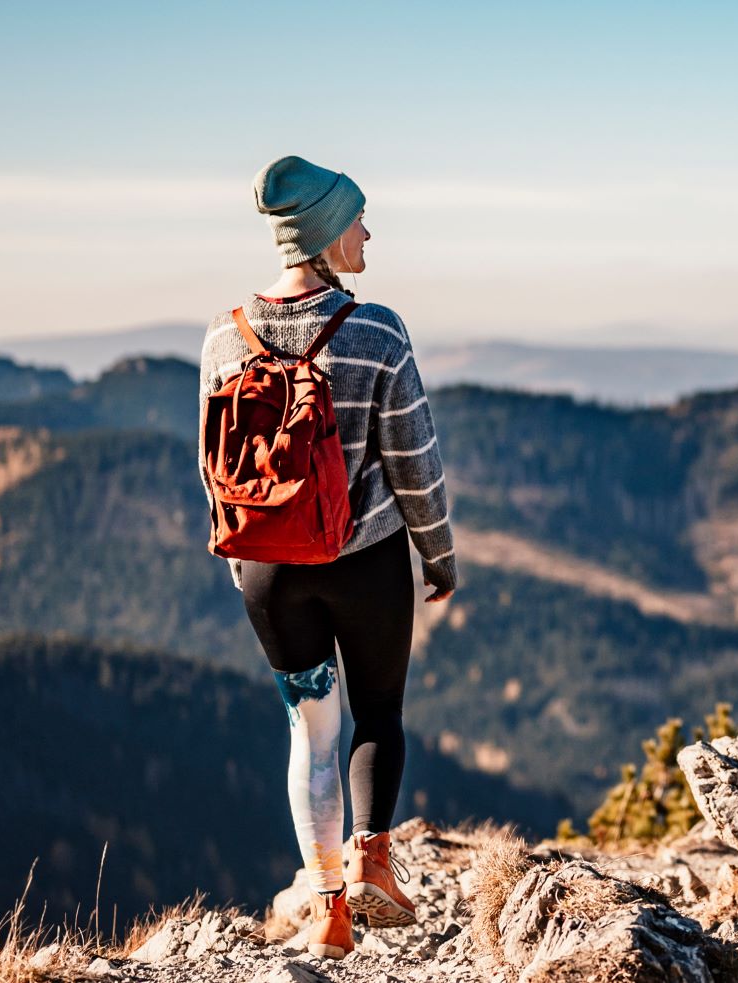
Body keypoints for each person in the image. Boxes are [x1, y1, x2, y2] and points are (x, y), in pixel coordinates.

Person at [197, 155, 459, 959]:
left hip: (269, 573)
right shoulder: (375, 328)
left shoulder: (222, 336)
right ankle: (373, 856)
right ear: (322, 234)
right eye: (358, 220)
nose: (368, 233)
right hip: (364, 560)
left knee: (308, 734)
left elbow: (215, 467)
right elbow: (414, 458)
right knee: (376, 714)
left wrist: (245, 562)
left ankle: (331, 909)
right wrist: (437, 554)